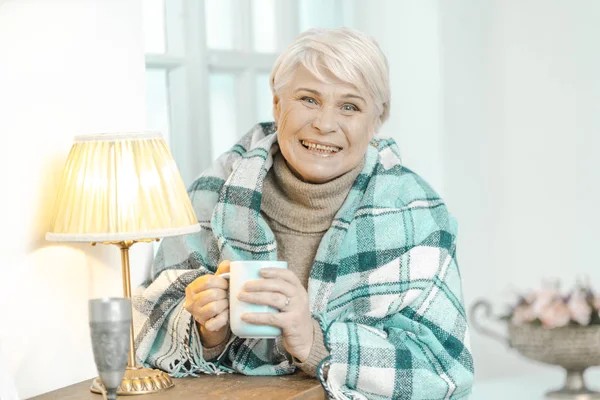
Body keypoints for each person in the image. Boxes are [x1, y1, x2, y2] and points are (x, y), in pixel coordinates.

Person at [133, 27, 474, 399]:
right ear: (278, 105)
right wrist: (205, 333)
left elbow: (444, 372)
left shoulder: (419, 216)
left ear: (377, 120)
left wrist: (314, 339)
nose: (325, 124)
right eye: (309, 99)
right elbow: (147, 323)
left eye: (350, 106)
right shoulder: (209, 195)